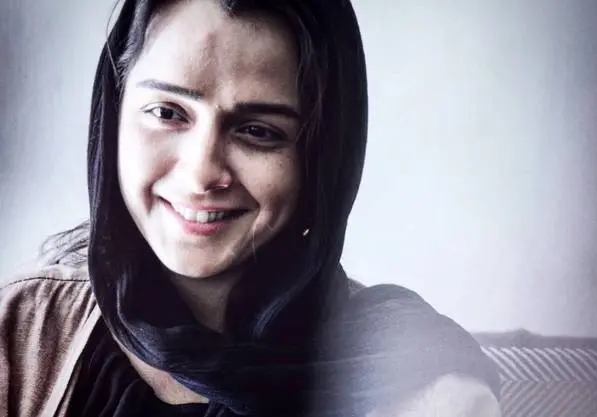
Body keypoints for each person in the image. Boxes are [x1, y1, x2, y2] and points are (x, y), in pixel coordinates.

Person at [0, 0, 502, 416]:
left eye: (258, 131)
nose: (201, 174)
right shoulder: (23, 330)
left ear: (322, 157)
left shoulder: (419, 381)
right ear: (113, 114)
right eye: (167, 112)